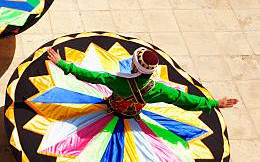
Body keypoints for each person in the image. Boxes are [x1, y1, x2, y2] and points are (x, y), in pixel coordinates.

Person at [47, 46, 237, 116]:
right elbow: (183, 100)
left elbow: (89, 76)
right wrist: (214, 103)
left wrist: (64, 65)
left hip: (112, 106)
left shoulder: (115, 81)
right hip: (133, 114)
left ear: (134, 67)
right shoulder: (160, 90)